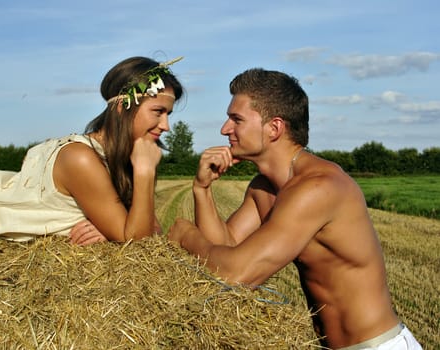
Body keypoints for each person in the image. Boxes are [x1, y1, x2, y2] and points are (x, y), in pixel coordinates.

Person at [168, 69, 422, 349]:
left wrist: (185, 235)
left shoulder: (318, 188)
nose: (225, 129)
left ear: (274, 128)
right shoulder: (263, 187)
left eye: (236, 119)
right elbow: (223, 249)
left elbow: (237, 275)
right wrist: (202, 190)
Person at [0, 56, 184, 246]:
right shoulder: (81, 158)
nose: (166, 125)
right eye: (158, 112)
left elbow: (148, 228)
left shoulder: (125, 156)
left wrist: (116, 228)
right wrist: (145, 174)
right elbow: (136, 240)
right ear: (121, 107)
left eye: (168, 114)